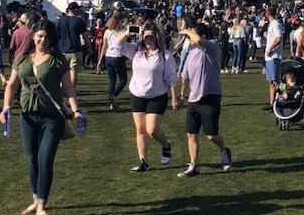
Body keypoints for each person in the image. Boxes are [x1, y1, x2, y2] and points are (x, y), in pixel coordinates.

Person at [0, 20, 85, 215]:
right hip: (27, 115)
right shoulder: (22, 59)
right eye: (39, 36)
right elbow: (11, 85)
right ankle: (35, 198)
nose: (42, 40)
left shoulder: (57, 60)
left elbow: (68, 88)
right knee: (32, 160)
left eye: (46, 36)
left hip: (51, 117)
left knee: (44, 160)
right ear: (33, 37)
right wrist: (6, 107)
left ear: (51, 38)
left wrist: (76, 110)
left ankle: (42, 206)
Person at [118, 21, 179, 172]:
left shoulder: (164, 55)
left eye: (151, 38)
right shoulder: (136, 52)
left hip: (157, 95)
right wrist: (128, 32)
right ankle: (143, 162)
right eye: (146, 38)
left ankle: (166, 144)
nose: (149, 41)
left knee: (151, 130)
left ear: (157, 38)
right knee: (140, 129)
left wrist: (174, 97)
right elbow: (117, 46)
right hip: (137, 94)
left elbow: (171, 77)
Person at [177, 23, 232, 177]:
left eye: (192, 35)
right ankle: (194, 166)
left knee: (211, 135)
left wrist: (187, 30)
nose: (189, 38)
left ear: (203, 36)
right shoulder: (191, 53)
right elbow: (185, 77)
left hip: (210, 97)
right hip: (194, 99)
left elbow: (198, 40)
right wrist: (182, 96)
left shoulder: (212, 48)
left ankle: (224, 150)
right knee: (191, 134)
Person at [96, 12, 129, 109]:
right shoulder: (123, 31)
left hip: (108, 57)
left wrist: (99, 61)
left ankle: (112, 102)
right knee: (123, 79)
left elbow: (104, 47)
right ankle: (114, 95)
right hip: (117, 57)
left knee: (112, 80)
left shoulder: (107, 32)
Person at [57, 2, 86, 88]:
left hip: (62, 49)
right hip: (75, 49)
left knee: (62, 70)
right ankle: (71, 90)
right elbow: (85, 35)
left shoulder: (61, 20)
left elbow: (57, 33)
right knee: (73, 71)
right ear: (76, 9)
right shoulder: (79, 21)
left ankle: (61, 87)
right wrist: (88, 47)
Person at [262, 9, 283, 110]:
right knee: (271, 82)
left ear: (268, 14)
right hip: (269, 57)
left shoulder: (275, 24)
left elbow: (278, 38)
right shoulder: (271, 24)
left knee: (276, 81)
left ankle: (281, 100)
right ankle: (272, 103)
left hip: (274, 57)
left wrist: (270, 49)